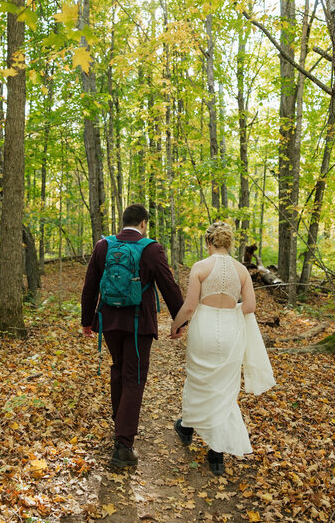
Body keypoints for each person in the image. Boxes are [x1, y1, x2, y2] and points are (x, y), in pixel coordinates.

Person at [81, 203, 183, 468]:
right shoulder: (151, 249)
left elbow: (90, 284)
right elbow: (168, 285)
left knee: (118, 371)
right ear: (143, 223)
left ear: (123, 221)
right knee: (134, 377)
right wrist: (179, 320)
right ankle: (123, 446)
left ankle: (120, 430)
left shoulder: (103, 246)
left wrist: (87, 321)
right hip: (139, 323)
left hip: (109, 320)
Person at [170, 221, 275, 475]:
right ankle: (215, 455)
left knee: (198, 379)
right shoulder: (241, 271)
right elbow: (250, 307)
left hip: (204, 328)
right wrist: (230, 310)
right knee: (224, 388)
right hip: (231, 330)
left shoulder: (200, 268)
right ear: (229, 243)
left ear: (209, 243)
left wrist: (175, 326)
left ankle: (187, 428)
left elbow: (190, 306)